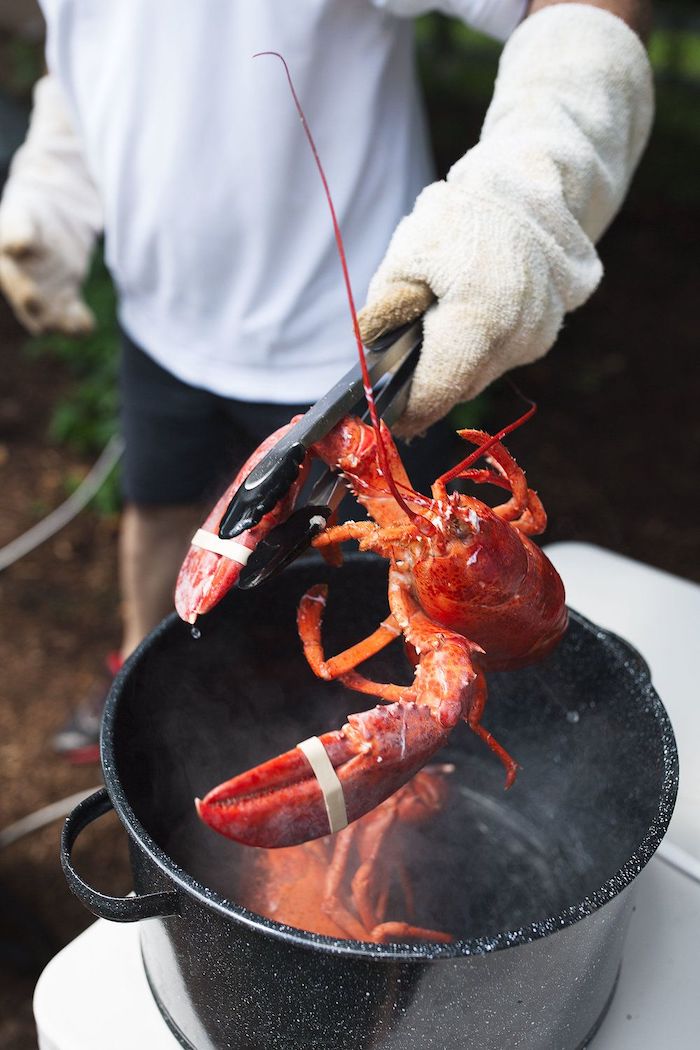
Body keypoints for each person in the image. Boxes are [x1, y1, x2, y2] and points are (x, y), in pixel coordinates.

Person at [0, 0, 653, 761]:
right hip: (159, 317)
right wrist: (55, 181)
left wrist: (533, 191)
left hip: (358, 354)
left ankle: (416, 747)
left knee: (377, 588)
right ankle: (137, 684)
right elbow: (100, 50)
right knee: (157, 510)